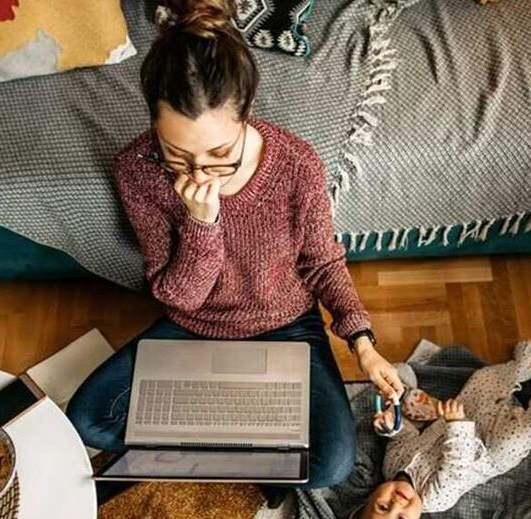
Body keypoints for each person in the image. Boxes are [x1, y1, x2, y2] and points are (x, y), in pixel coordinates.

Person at [66, 0, 404, 490]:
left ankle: (208, 439)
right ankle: (250, 444)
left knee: (331, 464)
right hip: (194, 325)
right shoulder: (138, 170)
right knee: (88, 417)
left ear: (246, 114)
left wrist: (363, 343)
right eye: (177, 156)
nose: (199, 175)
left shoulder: (295, 164)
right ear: (154, 126)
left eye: (219, 155)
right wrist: (203, 226)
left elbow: (323, 261)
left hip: (286, 326)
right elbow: (178, 297)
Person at [349, 341, 531, 519]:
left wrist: (391, 427)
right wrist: (457, 425)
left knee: (481, 381)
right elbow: (458, 465)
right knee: (517, 439)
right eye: (402, 518)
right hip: (486, 451)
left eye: (383, 507)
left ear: (372, 497)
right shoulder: (434, 498)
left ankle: (517, 369)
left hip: (458, 417)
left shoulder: (391, 467)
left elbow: (404, 438)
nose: (396, 504)